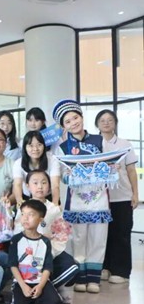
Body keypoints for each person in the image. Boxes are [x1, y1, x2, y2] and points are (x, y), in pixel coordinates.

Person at [53, 99, 112, 293]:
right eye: (68, 121)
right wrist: (70, 176)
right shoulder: (63, 148)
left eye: (75, 118)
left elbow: (111, 165)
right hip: (76, 201)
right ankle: (80, 277)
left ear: (82, 117)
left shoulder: (99, 140)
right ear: (64, 126)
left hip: (99, 199)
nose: (73, 123)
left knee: (98, 239)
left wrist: (110, 169)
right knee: (77, 239)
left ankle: (94, 279)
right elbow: (62, 176)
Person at [13, 170, 79, 304]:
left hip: (50, 250)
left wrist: (49, 251)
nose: (40, 186)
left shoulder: (54, 209)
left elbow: (61, 234)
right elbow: (18, 232)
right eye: (35, 183)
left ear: (49, 186)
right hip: (28, 254)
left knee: (72, 265)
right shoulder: (23, 208)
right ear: (27, 186)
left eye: (44, 183)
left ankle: (56, 287)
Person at [95, 109, 138, 285]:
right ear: (97, 124)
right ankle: (105, 267)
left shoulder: (124, 144)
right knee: (102, 234)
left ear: (115, 123)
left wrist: (135, 194)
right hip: (99, 198)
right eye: (102, 120)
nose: (106, 123)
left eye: (110, 120)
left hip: (121, 196)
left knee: (121, 233)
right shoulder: (94, 144)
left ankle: (121, 271)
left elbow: (131, 171)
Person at [8, 200, 62, 304]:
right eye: (23, 214)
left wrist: (40, 286)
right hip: (21, 281)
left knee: (55, 303)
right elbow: (13, 265)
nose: (25, 218)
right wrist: (23, 286)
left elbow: (47, 267)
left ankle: (35, 299)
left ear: (40, 220)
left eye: (31, 215)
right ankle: (30, 300)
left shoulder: (45, 241)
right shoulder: (16, 240)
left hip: (39, 280)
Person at [13, 130, 61, 205]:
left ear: (44, 146)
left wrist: (55, 205)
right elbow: (17, 184)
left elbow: (55, 185)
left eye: (39, 145)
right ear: (25, 147)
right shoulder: (18, 163)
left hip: (49, 198)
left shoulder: (53, 161)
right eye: (31, 145)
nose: (35, 149)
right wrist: (20, 202)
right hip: (27, 198)